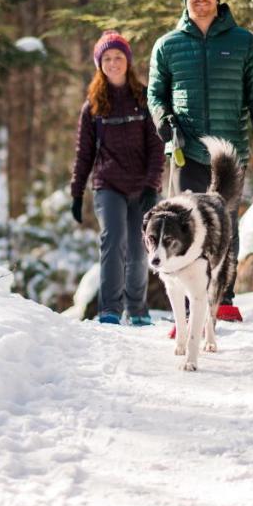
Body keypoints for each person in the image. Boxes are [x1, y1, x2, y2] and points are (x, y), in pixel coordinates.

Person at [147, 0, 253, 322]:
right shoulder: (167, 45)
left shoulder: (243, 43)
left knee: (225, 225)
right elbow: (155, 95)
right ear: (185, 0)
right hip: (186, 150)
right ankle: (190, 308)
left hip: (229, 150)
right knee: (183, 225)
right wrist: (165, 122)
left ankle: (222, 300)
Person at [70, 32, 165, 326]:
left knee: (139, 247)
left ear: (128, 61)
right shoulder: (93, 107)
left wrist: (151, 185)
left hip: (141, 187)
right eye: (107, 59)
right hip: (107, 185)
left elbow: (157, 147)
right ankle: (109, 309)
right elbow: (83, 154)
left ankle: (136, 310)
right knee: (113, 240)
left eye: (118, 58)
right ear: (100, 64)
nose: (113, 63)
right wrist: (76, 193)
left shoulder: (143, 99)